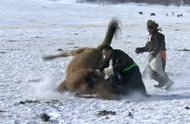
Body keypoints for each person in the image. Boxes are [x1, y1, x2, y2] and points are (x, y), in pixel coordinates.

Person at [135, 20, 173, 89]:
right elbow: (148, 47)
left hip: (160, 55)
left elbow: (159, 45)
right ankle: (163, 82)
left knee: (154, 71)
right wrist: (140, 49)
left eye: (150, 28)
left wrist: (155, 51)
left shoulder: (159, 36)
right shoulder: (151, 37)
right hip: (154, 55)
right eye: (148, 28)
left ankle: (168, 82)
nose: (148, 30)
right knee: (150, 72)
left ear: (154, 28)